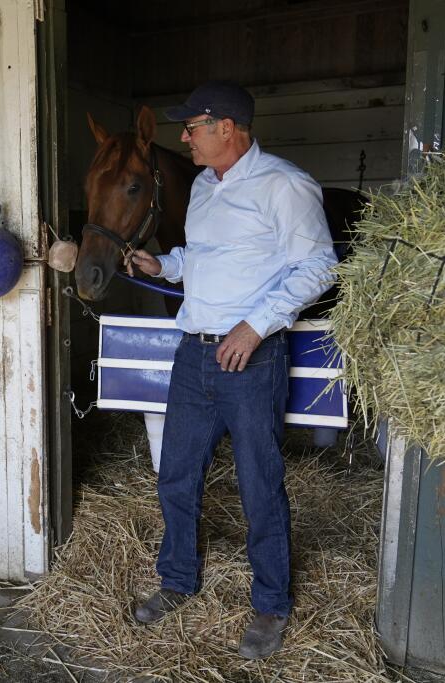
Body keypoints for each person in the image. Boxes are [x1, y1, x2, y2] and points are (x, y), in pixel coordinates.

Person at [126, 81, 336, 659]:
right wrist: (164, 264)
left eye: (192, 126)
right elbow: (204, 259)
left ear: (228, 128)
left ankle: (269, 605)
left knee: (258, 482)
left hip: (250, 356)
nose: (184, 137)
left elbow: (319, 266)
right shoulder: (201, 187)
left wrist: (255, 325)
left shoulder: (285, 186)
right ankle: (177, 581)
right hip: (195, 352)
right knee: (176, 473)